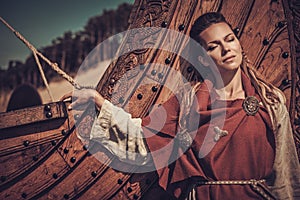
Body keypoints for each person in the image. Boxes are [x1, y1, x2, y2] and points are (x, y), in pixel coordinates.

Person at [61, 12, 300, 199]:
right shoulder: (189, 101)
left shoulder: (270, 99)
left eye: (230, 39)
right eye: (213, 46)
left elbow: (285, 172)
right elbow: (145, 139)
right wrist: (99, 102)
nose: (227, 48)